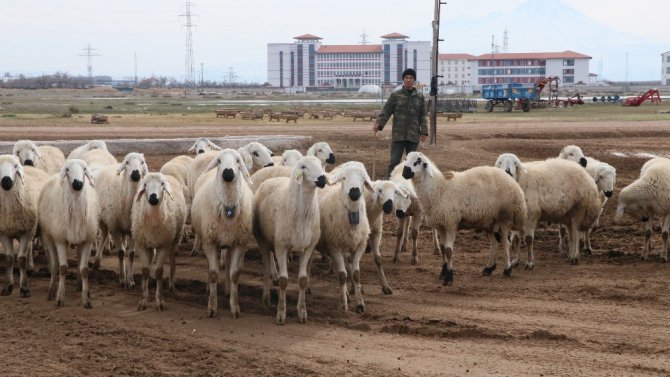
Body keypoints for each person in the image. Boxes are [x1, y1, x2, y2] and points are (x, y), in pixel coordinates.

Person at [373, 68, 429, 178]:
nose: (408, 80)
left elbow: (423, 115)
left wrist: (424, 132)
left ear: (414, 80)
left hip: (413, 136)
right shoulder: (396, 95)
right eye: (406, 77)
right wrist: (379, 125)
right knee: (394, 162)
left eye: (411, 78)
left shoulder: (420, 97)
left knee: (412, 164)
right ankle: (391, 183)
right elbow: (386, 111)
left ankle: (409, 186)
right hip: (398, 136)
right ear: (403, 79)